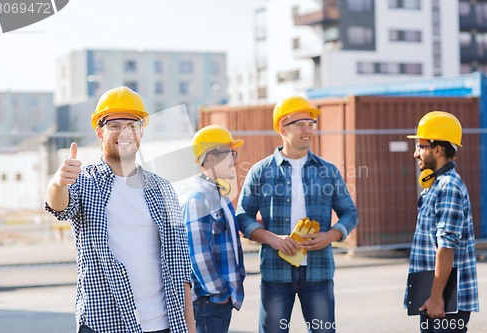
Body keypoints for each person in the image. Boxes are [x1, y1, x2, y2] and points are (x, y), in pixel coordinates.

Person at [44, 86, 195, 333]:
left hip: (163, 324)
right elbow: (58, 205)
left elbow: (181, 265)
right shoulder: (84, 182)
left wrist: (190, 328)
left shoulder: (163, 189)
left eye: (132, 125)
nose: (124, 132)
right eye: (114, 125)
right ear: (99, 133)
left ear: (141, 133)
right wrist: (58, 182)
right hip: (104, 323)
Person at [236, 95, 359, 333]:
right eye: (301, 123)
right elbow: (243, 217)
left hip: (318, 272)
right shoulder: (260, 172)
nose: (308, 129)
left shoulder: (328, 171)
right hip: (275, 273)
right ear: (282, 128)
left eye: (311, 123)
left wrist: (330, 236)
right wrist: (275, 240)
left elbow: (350, 213)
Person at [406, 111, 479, 332]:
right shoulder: (436, 185)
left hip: (445, 301)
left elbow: (447, 246)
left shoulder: (448, 188)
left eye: (420, 146)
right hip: (433, 295)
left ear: (437, 149)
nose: (415, 154)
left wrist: (437, 297)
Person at [179, 125, 246, 333]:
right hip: (209, 302)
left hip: (219, 300)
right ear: (209, 158)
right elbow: (197, 255)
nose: (235, 160)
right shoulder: (197, 199)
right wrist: (219, 293)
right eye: (229, 153)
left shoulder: (220, 194)